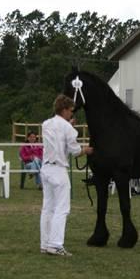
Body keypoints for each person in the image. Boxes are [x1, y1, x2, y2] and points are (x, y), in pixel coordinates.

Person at [40, 94, 94, 257]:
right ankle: (56, 245)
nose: (72, 113)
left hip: (46, 168)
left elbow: (58, 134)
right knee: (62, 209)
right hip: (59, 170)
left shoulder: (46, 124)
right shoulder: (67, 128)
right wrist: (86, 150)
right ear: (64, 110)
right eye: (70, 111)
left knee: (48, 208)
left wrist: (68, 126)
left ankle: (45, 243)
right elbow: (75, 150)